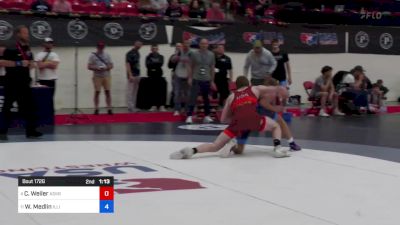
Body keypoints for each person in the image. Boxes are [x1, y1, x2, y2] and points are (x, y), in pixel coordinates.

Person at [170, 76, 290, 159]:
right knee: (275, 126)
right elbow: (275, 88)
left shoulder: (231, 97)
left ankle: (192, 151)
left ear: (236, 86)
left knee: (215, 146)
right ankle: (277, 148)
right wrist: (283, 92)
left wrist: (236, 118)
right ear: (248, 84)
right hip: (254, 119)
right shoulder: (255, 88)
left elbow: (223, 120)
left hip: (237, 123)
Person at [230, 80, 302, 155]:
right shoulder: (270, 93)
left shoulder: (253, 91)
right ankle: (287, 145)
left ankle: (231, 146)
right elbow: (263, 103)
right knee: (279, 124)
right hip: (258, 113)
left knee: (239, 150)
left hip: (247, 116)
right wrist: (275, 109)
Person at [0, 25, 42, 140]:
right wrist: (18, 63)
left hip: (24, 83)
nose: (27, 35)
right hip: (12, 82)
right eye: (25, 33)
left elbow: (31, 64)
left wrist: (32, 64)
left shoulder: (28, 49)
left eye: (27, 33)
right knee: (7, 107)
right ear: (18, 34)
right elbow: (2, 62)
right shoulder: (11, 48)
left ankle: (31, 130)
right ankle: (2, 131)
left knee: (30, 106)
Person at [186, 38, 216, 124]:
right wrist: (190, 78)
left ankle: (206, 116)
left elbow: (212, 68)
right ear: (199, 45)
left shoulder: (211, 54)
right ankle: (189, 116)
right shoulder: (194, 54)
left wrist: (212, 81)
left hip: (206, 79)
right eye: (202, 44)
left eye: (205, 44)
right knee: (193, 98)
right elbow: (190, 66)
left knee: (206, 99)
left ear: (208, 45)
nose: (204, 45)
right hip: (196, 79)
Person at [87, 41, 114, 115]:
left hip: (106, 75)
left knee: (107, 92)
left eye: (102, 46)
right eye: (99, 46)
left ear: (104, 47)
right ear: (97, 47)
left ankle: (109, 108)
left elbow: (111, 65)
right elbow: (89, 66)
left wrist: (106, 68)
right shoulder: (92, 56)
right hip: (97, 76)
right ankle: (96, 108)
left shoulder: (107, 55)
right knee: (97, 92)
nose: (101, 48)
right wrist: (96, 68)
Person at [169, 41, 192, 116]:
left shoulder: (192, 53)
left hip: (187, 75)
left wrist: (190, 77)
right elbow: (172, 61)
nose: (186, 45)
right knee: (177, 93)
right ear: (183, 45)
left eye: (187, 43)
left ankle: (186, 110)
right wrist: (176, 56)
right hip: (178, 75)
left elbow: (194, 65)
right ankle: (177, 109)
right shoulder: (179, 52)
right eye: (185, 44)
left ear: (189, 44)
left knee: (187, 94)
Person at [146, 44, 166, 112]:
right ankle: (153, 105)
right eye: (153, 48)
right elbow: (147, 65)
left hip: (159, 75)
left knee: (159, 91)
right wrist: (155, 64)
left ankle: (161, 106)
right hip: (151, 75)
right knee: (152, 91)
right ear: (151, 49)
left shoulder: (161, 56)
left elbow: (161, 63)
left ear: (158, 49)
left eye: (156, 48)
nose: (154, 50)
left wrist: (153, 64)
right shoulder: (148, 57)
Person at [126, 41, 143, 112]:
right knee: (130, 91)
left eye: (141, 45)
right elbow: (127, 64)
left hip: (137, 74)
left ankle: (133, 106)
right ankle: (130, 106)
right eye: (139, 45)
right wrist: (130, 75)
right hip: (132, 75)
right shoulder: (129, 53)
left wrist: (139, 75)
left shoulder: (138, 53)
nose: (140, 46)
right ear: (135, 44)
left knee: (135, 91)